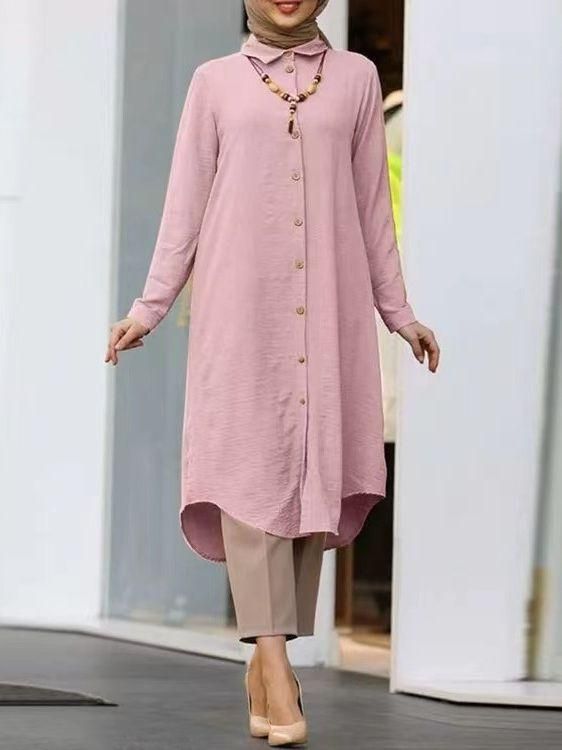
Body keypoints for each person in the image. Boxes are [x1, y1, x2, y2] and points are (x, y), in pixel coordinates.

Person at [105, 0, 440, 745]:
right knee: (248, 471)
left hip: (329, 308)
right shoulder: (213, 82)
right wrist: (149, 307)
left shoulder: (356, 80)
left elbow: (372, 208)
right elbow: (184, 206)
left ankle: (265, 664)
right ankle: (277, 667)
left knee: (309, 476)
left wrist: (400, 312)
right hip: (239, 308)